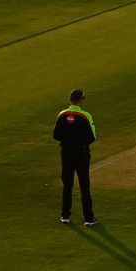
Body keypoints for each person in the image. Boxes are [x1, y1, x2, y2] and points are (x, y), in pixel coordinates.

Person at [52, 89, 98, 226]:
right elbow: (92, 137)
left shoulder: (62, 115)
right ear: (81, 100)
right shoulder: (85, 116)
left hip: (66, 154)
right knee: (84, 186)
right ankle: (88, 218)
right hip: (81, 154)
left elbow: (56, 135)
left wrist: (68, 141)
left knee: (67, 185)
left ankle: (65, 216)